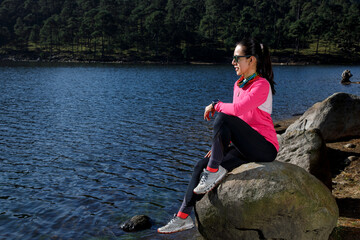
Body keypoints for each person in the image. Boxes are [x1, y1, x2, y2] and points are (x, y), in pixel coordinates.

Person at [157, 38, 279, 234]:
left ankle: (213, 172)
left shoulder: (261, 85)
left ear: (251, 60)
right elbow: (238, 122)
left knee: (223, 116)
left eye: (236, 58)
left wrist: (215, 104)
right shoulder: (239, 85)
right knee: (200, 165)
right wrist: (217, 146)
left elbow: (237, 110)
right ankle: (183, 217)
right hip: (245, 146)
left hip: (264, 147)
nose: (233, 62)